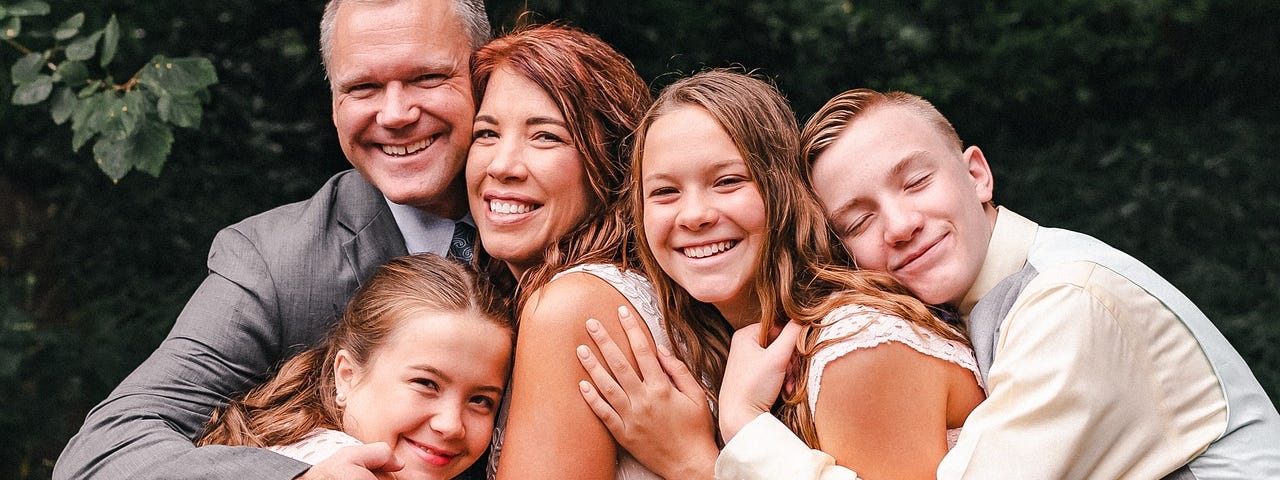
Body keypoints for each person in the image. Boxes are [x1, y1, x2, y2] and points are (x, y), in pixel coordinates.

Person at [714, 88, 1280, 478]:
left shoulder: (1067, 301)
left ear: (977, 174)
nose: (902, 225)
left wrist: (740, 429)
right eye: (859, 221)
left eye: (916, 181)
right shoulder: (956, 310)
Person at [54, 1, 492, 479]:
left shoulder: (571, 219)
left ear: (485, 73)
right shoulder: (275, 260)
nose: (396, 114)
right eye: (362, 87)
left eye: (427, 77)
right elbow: (102, 450)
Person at [574, 70, 986, 479]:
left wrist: (694, 464)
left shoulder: (857, 346)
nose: (695, 215)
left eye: (728, 181)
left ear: (784, 192)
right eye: (665, 192)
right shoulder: (732, 349)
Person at [462, 24, 660, 478]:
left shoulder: (567, 307)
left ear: (609, 162)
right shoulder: (609, 287)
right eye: (487, 133)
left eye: (546, 136)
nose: (503, 165)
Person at [197, 253, 513, 480]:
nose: (451, 425)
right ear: (347, 376)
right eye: (426, 383)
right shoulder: (339, 467)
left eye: (480, 400)